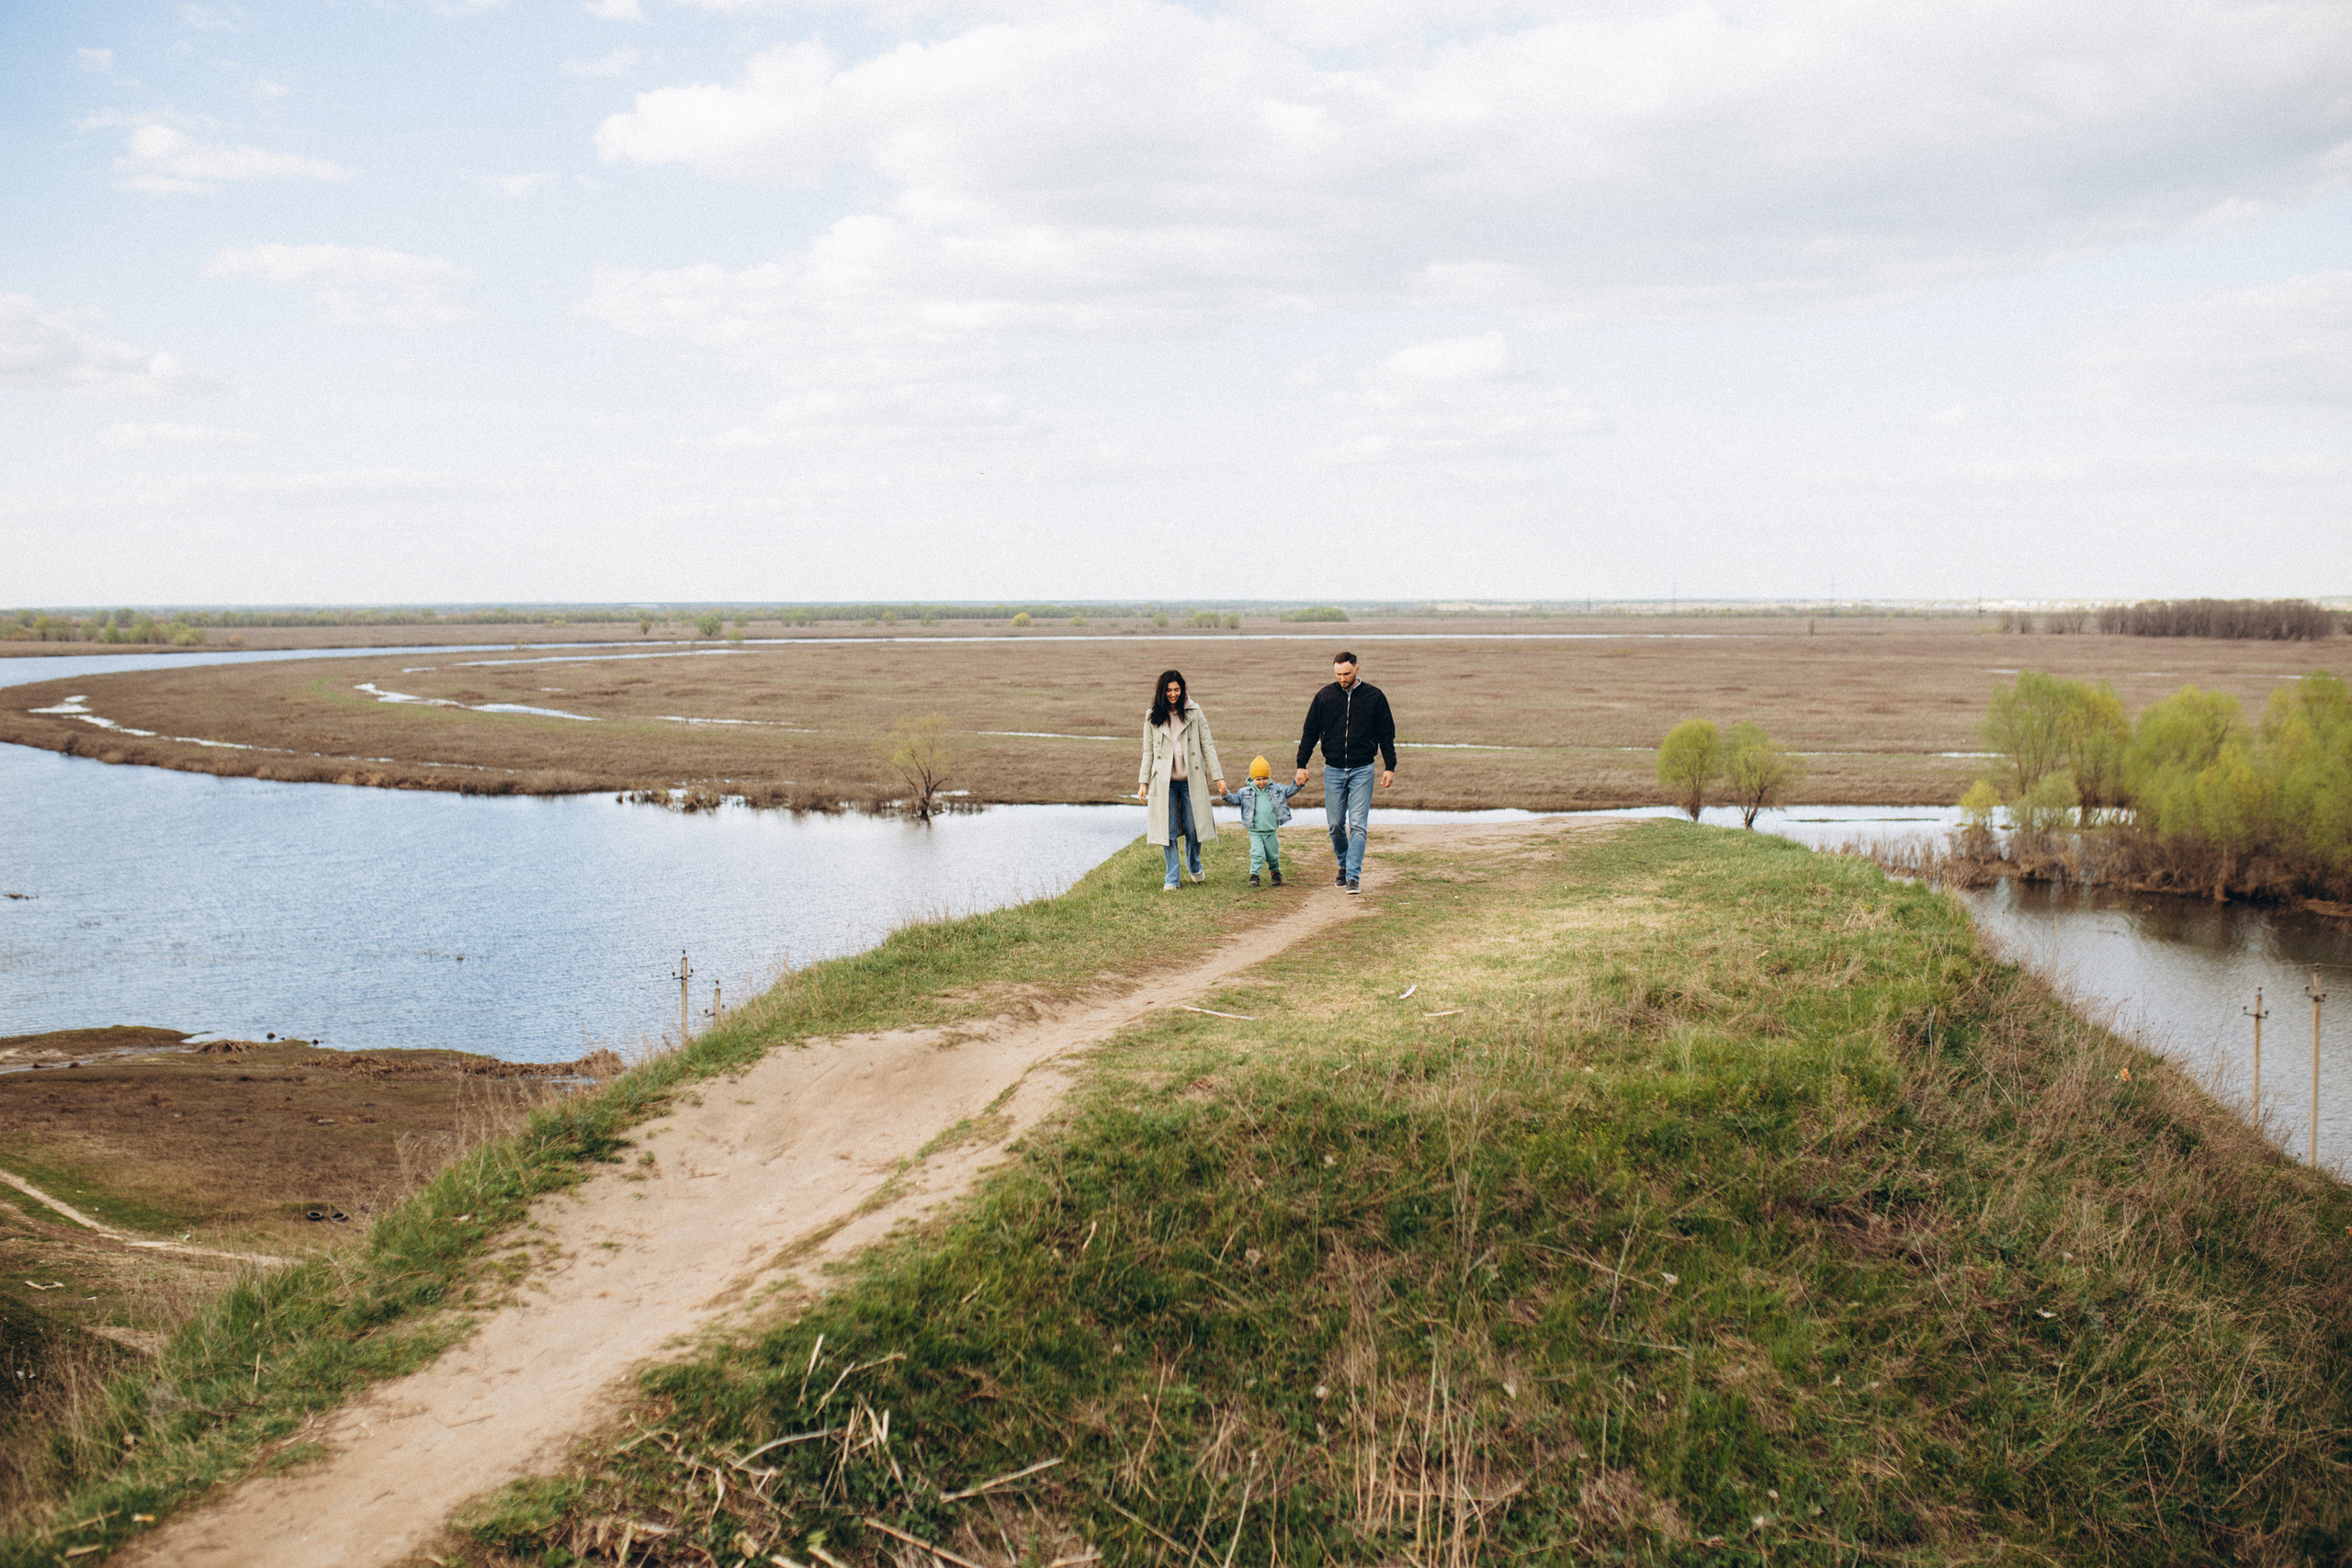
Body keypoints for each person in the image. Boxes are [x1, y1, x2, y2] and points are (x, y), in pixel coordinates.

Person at [1294, 650, 1396, 894]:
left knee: (1358, 825)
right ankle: (1343, 864)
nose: (1342, 679)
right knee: (1336, 824)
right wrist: (1301, 764)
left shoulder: (1375, 696)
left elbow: (1386, 734)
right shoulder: (1324, 696)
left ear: (1357, 669)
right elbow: (1310, 733)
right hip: (1334, 770)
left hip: (1363, 769)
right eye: (1338, 674)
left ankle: (1352, 877)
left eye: (1347, 673)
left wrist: (1390, 766)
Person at [1136, 669, 1227, 890]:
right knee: (1168, 831)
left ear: (1183, 689)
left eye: (1177, 689)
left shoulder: (1194, 712)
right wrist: (1143, 783)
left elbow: (1208, 745)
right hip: (1164, 782)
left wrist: (1219, 778)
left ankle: (1194, 864)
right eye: (1168, 690)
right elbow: (1148, 751)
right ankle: (1172, 878)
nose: (1173, 694)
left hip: (1191, 780)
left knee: (1194, 827)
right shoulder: (1152, 716)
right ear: (1162, 692)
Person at [1221, 756, 1300, 888]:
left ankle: (1275, 873)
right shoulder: (1244, 792)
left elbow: (1290, 791)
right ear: (1252, 778)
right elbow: (1234, 800)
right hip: (1255, 831)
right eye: (1258, 779)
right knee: (1257, 853)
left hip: (1271, 830)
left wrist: (1298, 784)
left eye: (1264, 778)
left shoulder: (1277, 789)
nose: (1262, 782)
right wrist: (1225, 794)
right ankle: (1254, 876)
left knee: (1272, 855)